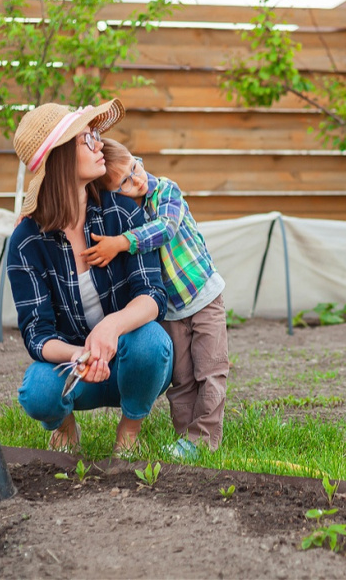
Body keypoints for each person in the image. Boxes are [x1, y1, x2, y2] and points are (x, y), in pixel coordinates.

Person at [6, 100, 173, 455]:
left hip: (132, 362)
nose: (100, 145)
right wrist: (82, 353)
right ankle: (64, 426)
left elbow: (152, 295)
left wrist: (110, 328)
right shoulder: (26, 243)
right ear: (62, 157)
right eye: (87, 139)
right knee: (37, 392)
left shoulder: (122, 213)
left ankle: (129, 431)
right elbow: (37, 335)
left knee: (151, 343)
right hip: (78, 370)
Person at [80, 138, 228, 459]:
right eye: (126, 182)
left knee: (210, 371)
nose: (138, 178)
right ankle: (185, 439)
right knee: (183, 377)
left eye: (136, 166)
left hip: (203, 296)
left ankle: (205, 438)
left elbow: (167, 228)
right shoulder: (128, 213)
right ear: (114, 195)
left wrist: (122, 242)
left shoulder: (166, 191)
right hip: (173, 310)